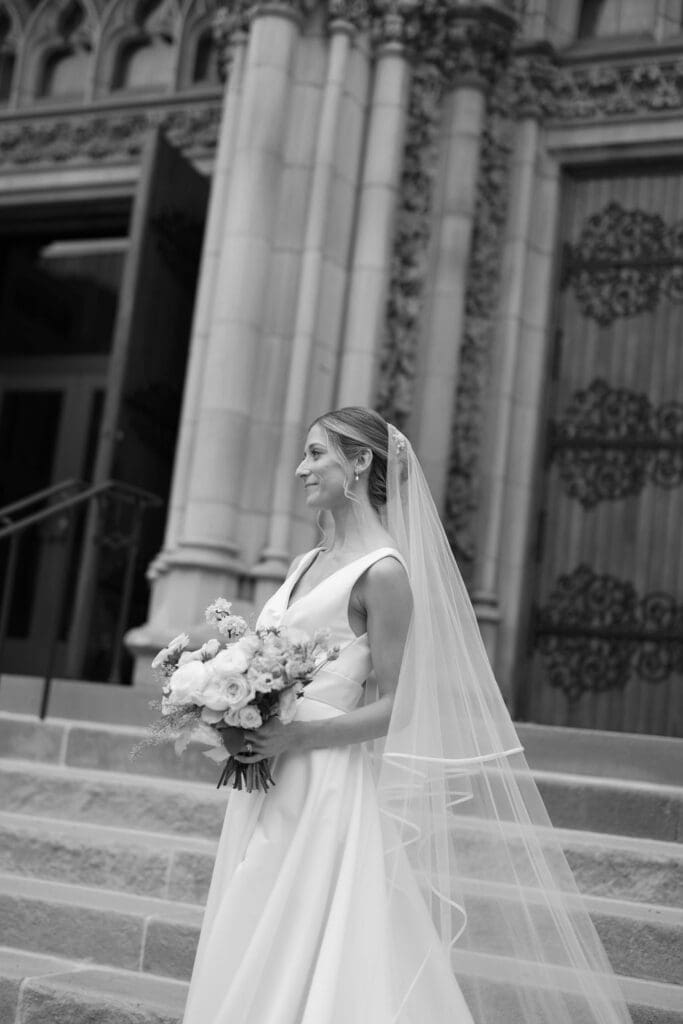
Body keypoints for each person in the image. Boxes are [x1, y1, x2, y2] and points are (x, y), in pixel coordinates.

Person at [181, 407, 633, 1024]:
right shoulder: (300, 565)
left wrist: (297, 733)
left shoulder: (385, 574)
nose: (300, 468)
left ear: (361, 461)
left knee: (299, 930)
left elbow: (400, 708)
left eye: (316, 454)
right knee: (249, 915)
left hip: (322, 785)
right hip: (267, 777)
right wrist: (230, 705)